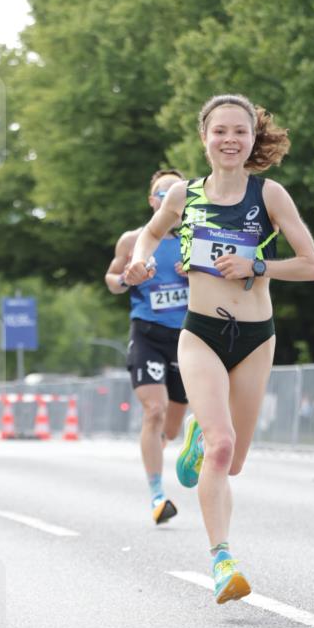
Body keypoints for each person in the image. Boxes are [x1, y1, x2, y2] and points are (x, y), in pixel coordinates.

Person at [125, 94, 314, 603]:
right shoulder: (183, 197)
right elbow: (148, 237)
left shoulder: (270, 195)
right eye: (220, 131)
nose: (230, 139)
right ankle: (222, 560)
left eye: (240, 131)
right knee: (223, 446)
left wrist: (260, 267)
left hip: (256, 338)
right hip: (201, 333)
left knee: (233, 463)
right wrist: (142, 263)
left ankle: (194, 433)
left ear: (253, 139)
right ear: (205, 138)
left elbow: (311, 265)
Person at [105, 169, 189, 524]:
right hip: (147, 335)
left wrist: (200, 271)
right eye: (160, 190)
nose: (166, 195)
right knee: (153, 411)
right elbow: (111, 280)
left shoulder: (197, 238)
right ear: (152, 200)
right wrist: (127, 277)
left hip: (187, 340)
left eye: (174, 190)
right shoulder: (134, 240)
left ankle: (168, 448)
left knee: (171, 428)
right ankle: (157, 495)